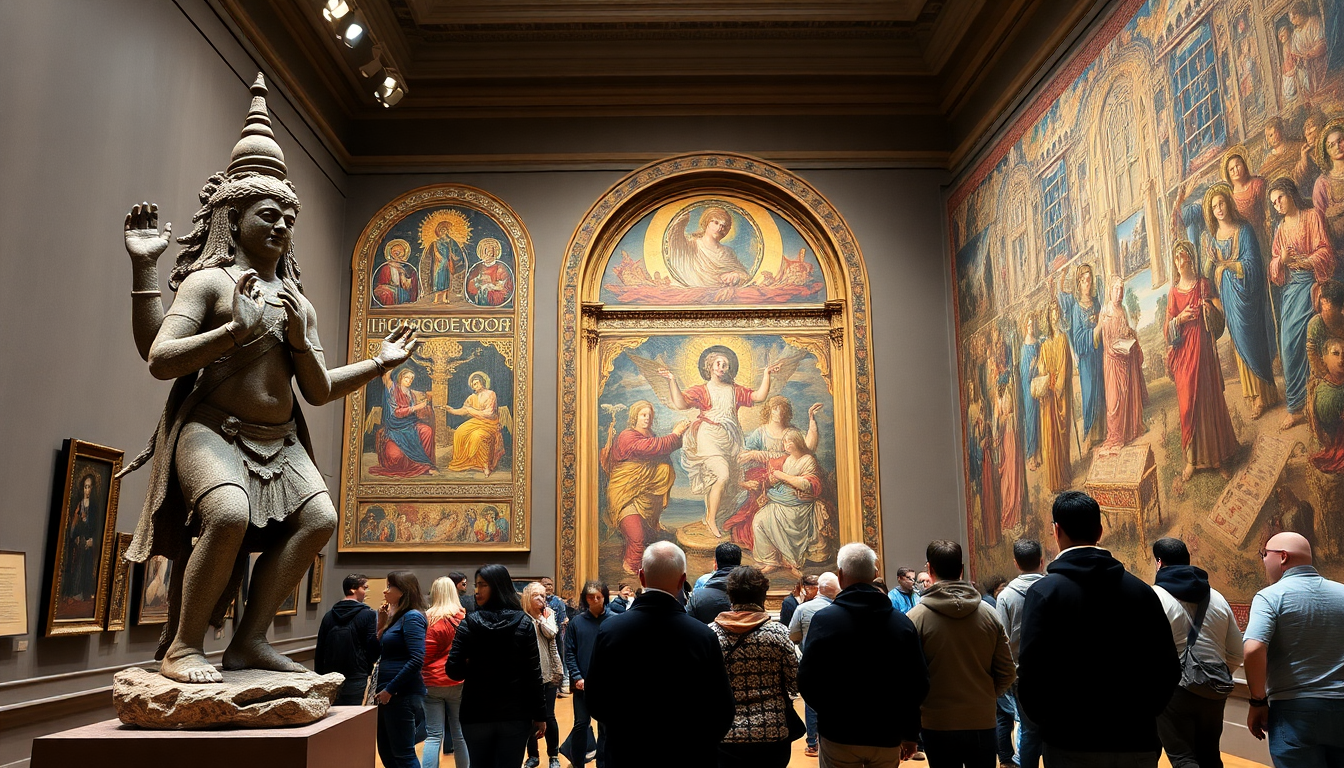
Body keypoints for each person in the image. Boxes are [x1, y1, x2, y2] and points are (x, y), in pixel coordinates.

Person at [117, 77, 420, 684]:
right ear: (234, 219)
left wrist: (378, 363)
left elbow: (317, 389)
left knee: (320, 520)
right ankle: (183, 647)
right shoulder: (208, 283)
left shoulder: (298, 302)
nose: (281, 225)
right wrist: (228, 327)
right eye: (268, 214)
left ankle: (250, 642)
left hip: (278, 439)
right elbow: (162, 358)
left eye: (288, 217)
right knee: (228, 514)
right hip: (214, 430)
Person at [1017, 492, 1179, 766]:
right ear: (1100, 531)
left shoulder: (1044, 593)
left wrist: (1050, 722)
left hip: (1067, 741)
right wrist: (1144, 713)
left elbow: (1031, 672)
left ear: (1057, 531)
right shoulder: (1142, 592)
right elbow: (1168, 667)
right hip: (1135, 738)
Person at [584, 542, 734, 768]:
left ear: (641, 577)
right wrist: (699, 745)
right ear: (682, 581)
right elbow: (722, 708)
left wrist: (624, 731)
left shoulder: (611, 631)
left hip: (628, 753)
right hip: (688, 755)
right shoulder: (703, 636)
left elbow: (595, 700)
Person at [798, 543, 930, 766]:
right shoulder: (901, 623)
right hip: (887, 732)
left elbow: (807, 678)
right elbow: (917, 683)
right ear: (875, 574)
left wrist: (829, 714)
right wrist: (910, 733)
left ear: (841, 575)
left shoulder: (824, 621)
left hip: (838, 732)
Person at [907, 541, 1015, 768]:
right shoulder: (989, 614)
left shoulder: (915, 618)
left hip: (937, 722)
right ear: (962, 569)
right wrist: (986, 695)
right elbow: (1007, 670)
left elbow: (910, 680)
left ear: (930, 569)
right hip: (982, 718)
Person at [1243, 531, 1344, 763]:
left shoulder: (1269, 597)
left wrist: (1257, 701)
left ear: (1283, 557)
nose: (1263, 560)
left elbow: (1253, 649)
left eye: (1265, 554)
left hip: (1295, 710)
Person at [658, 348, 782, 537]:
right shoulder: (702, 390)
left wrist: (766, 374)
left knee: (726, 480)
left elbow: (759, 397)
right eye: (718, 363)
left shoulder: (734, 390)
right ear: (710, 366)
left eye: (725, 364)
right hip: (709, 436)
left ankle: (714, 516)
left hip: (730, 439)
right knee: (722, 475)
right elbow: (681, 404)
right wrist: (672, 381)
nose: (721, 367)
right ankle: (711, 519)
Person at [1149, 538, 1243, 768]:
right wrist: (1208, 673)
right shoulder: (1217, 597)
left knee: (1182, 756)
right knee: (1210, 756)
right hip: (1214, 689)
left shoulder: (1155, 596)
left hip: (1173, 691)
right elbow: (1236, 652)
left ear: (1159, 563)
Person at [445, 564, 546, 768]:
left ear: (498, 586)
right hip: (514, 714)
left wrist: (472, 662)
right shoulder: (524, 622)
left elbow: (454, 670)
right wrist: (540, 715)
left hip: (477, 712)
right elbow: (532, 674)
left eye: (483, 585)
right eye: (477, 585)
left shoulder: (468, 623)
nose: (477, 591)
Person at [1202, 182, 1280, 419]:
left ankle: (1264, 394)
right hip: (1229, 298)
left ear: (1228, 203)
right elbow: (1208, 271)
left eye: (1221, 203)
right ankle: (1252, 395)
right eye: (1214, 206)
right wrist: (1211, 261)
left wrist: (1226, 265)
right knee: (1238, 344)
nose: (1219, 209)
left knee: (1252, 341)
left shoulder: (1244, 230)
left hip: (1249, 298)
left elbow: (1254, 265)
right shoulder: (1214, 238)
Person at [712, 566, 799, 768]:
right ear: (763, 595)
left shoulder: (711, 634)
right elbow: (795, 682)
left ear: (730, 595)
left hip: (726, 732)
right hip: (772, 731)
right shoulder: (778, 633)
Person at [1166, 241, 1239, 481]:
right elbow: (1167, 329)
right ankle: (1192, 461)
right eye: (1176, 258)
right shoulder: (1173, 293)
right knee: (1188, 404)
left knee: (1209, 402)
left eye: (1183, 256)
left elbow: (1218, 314)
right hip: (1184, 355)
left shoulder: (1203, 284)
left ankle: (1218, 458)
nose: (1180, 262)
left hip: (1204, 351)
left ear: (1191, 258)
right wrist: (1180, 319)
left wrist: (1207, 307)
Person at [1269, 176, 1335, 430]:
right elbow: (1273, 267)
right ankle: (1296, 406)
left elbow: (1325, 250)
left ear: (1290, 194)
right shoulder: (1280, 229)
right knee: (1287, 346)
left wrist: (1306, 261)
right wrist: (1282, 260)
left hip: (1310, 286)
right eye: (1274, 203)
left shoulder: (1311, 216)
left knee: (1310, 343)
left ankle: (1315, 402)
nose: (1278, 205)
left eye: (1280, 198)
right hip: (1291, 291)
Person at [601, 400, 687, 574]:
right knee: (637, 537)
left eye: (649, 415)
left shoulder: (651, 436)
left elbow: (663, 448)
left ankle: (642, 571)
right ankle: (631, 567)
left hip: (645, 495)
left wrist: (681, 435)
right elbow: (650, 448)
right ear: (635, 417)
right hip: (625, 493)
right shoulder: (627, 436)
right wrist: (675, 434)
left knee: (648, 535)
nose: (647, 418)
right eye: (643, 415)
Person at [725, 395, 821, 547]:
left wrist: (811, 420)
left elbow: (808, 449)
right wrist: (751, 460)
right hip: (767, 475)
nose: (779, 413)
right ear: (769, 410)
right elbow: (744, 456)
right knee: (756, 496)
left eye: (782, 409)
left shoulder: (792, 432)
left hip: (789, 474)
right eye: (775, 409)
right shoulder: (761, 432)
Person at [368, 571, 428, 768]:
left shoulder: (412, 617)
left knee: (403, 755)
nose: (385, 591)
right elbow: (374, 653)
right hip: (388, 693)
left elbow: (416, 659)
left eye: (389, 587)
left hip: (401, 694)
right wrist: (380, 624)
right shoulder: (397, 618)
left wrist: (390, 689)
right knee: (387, 753)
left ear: (403, 591)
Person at [996, 540, 1045, 768]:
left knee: (1028, 731)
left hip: (1021, 674)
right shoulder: (1052, 587)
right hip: (1053, 672)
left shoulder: (1006, 596)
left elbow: (1003, 639)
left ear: (1016, 563)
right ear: (1041, 561)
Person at [1053, 264, 1106, 450]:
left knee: (1101, 391)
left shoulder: (1097, 304)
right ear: (1079, 283)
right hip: (1086, 359)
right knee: (1090, 394)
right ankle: (1091, 434)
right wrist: (1095, 331)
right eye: (1083, 280)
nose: (1087, 283)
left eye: (1089, 279)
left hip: (1099, 355)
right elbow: (1077, 337)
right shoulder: (1077, 308)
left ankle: (1103, 432)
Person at [789, 571, 839, 757]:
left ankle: (812, 743)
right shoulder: (839, 609)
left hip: (810, 661)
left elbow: (792, 636)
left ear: (819, 589)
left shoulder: (802, 609)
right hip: (835, 663)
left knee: (811, 702)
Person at [1097, 278, 1148, 451]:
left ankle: (1129, 431)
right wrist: (1118, 348)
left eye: (1121, 290)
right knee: (1115, 401)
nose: (1119, 293)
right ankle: (1116, 436)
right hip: (1113, 362)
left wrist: (1129, 336)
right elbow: (1107, 342)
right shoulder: (1106, 312)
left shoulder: (1123, 310)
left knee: (1126, 395)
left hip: (1124, 358)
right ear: (1110, 291)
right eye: (1116, 289)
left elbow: (1124, 331)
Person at [422, 577, 468, 768]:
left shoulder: (429, 619)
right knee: (459, 733)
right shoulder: (463, 617)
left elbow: (425, 656)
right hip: (458, 681)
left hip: (432, 682)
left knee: (433, 735)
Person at [565, 580, 611, 767]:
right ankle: (578, 763)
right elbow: (569, 652)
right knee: (581, 725)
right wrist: (577, 677)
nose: (595, 600)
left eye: (599, 596)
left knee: (605, 729)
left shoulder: (614, 620)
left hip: (607, 686)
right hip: (582, 684)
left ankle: (603, 764)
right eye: (591, 597)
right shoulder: (576, 622)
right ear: (585, 598)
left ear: (604, 597)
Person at [315, 573, 377, 705]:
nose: (366, 592)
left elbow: (320, 649)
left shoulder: (329, 615)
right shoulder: (368, 615)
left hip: (330, 677)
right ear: (353, 589)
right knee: (355, 715)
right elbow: (372, 648)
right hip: (357, 676)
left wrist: (320, 677)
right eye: (364, 588)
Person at [522, 582, 563, 768]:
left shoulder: (548, 614)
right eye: (536, 595)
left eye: (543, 595)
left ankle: (553, 755)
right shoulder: (522, 617)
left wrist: (541, 619)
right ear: (527, 598)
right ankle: (533, 755)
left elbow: (551, 633)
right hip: (527, 674)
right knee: (529, 717)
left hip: (548, 672)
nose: (541, 598)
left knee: (549, 716)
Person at [370, 367, 438, 478]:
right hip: (396, 427)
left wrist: (424, 406)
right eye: (406, 377)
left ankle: (424, 466)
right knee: (395, 457)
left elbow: (415, 412)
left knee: (427, 431)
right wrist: (416, 408)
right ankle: (415, 465)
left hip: (410, 424)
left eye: (411, 379)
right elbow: (397, 412)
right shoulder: (393, 389)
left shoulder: (411, 394)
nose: (409, 380)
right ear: (400, 378)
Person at [1035, 302, 1073, 492]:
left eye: (1056, 311)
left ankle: (1064, 473)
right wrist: (1047, 377)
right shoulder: (1044, 344)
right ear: (1048, 318)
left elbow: (1066, 366)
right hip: (1049, 396)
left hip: (1060, 393)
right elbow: (1041, 368)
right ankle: (1055, 480)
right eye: (1051, 313)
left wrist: (1057, 384)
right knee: (1051, 435)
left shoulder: (1063, 339)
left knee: (1062, 434)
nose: (1054, 315)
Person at [666, 205, 752, 288]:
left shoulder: (727, 252)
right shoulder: (692, 246)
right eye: (716, 222)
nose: (720, 227)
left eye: (724, 226)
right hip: (694, 291)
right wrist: (682, 220)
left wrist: (736, 276)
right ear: (707, 222)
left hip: (720, 293)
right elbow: (674, 240)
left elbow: (744, 275)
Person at [445, 371, 505, 477]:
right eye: (473, 384)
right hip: (477, 422)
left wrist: (471, 410)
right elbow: (464, 410)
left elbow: (489, 413)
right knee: (459, 432)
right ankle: (465, 462)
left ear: (482, 382)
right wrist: (452, 410)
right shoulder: (472, 397)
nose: (475, 386)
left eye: (477, 383)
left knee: (477, 436)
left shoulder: (491, 394)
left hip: (490, 423)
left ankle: (484, 465)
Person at [686, 542, 743, 624]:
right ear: (740, 563)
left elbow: (689, 625)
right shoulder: (752, 595)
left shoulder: (698, 597)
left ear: (716, 563)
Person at [1316, 120, 1344, 253]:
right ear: (1326, 152)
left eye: (1340, 141)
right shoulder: (1322, 183)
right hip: (1338, 248)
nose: (1337, 147)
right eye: (1331, 145)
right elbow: (1320, 220)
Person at [465, 238, 514, 307]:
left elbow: (506, 286)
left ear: (495, 253)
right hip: (480, 297)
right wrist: (478, 281)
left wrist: (493, 285)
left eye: (491, 252)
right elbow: (470, 287)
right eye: (485, 251)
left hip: (496, 297)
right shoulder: (477, 268)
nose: (488, 254)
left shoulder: (501, 268)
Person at [373, 239, 420, 306]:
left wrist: (402, 274)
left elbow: (412, 287)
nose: (397, 253)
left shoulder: (409, 268)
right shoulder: (386, 268)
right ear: (391, 253)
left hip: (404, 295)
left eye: (400, 251)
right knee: (386, 293)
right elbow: (381, 284)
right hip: (390, 293)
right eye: (395, 251)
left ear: (404, 253)